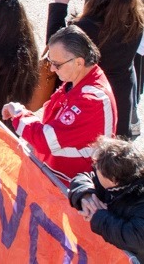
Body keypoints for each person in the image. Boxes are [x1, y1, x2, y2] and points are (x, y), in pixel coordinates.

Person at [7, 25, 116, 182]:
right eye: (50, 61)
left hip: (66, 185)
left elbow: (46, 140)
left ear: (79, 62)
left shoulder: (90, 101)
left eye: (56, 64)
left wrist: (18, 113)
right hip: (57, 177)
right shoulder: (81, 79)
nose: (51, 69)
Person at [49, 0, 144, 138]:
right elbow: (107, 15)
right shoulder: (137, 18)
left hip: (93, 95)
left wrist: (59, 6)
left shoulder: (85, 26)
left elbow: (56, 46)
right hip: (122, 94)